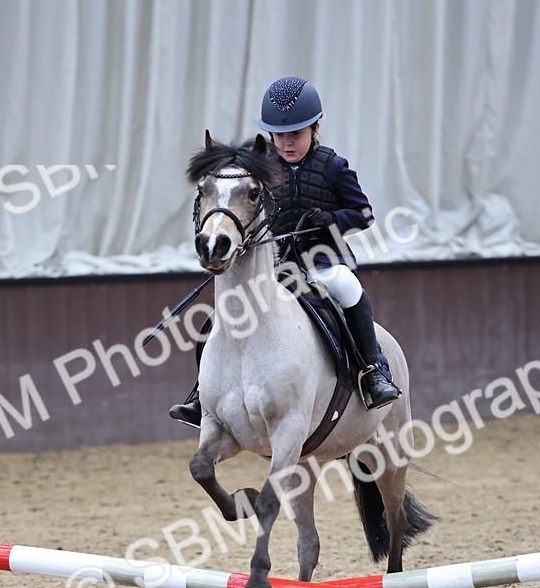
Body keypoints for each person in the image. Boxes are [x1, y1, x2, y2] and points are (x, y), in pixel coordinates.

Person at [169, 75, 400, 427]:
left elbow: (364, 214)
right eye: (279, 136)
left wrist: (332, 220)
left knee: (348, 287)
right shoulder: (262, 171)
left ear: (315, 128)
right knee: (220, 316)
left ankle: (373, 372)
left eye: (296, 134)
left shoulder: (333, 166)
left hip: (323, 262)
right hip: (274, 267)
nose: (287, 143)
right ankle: (201, 393)